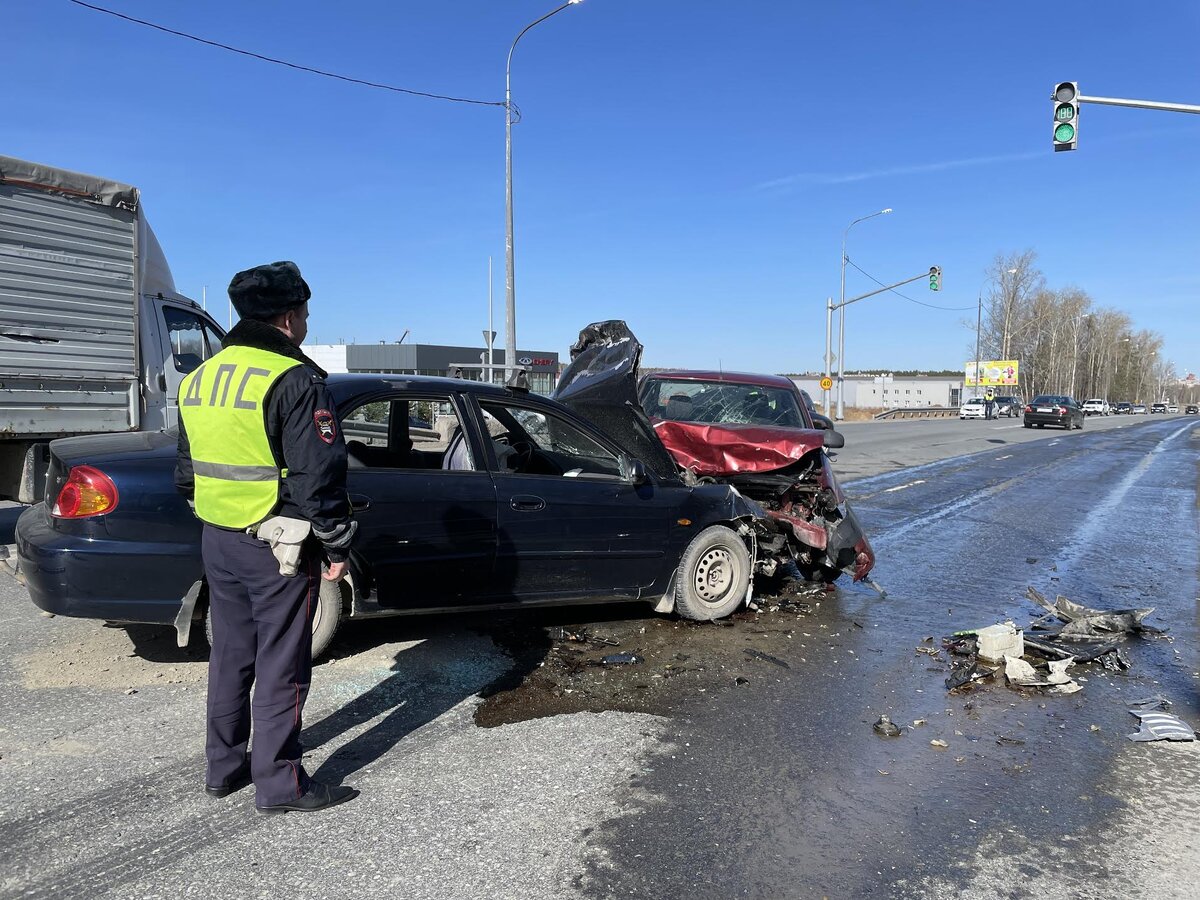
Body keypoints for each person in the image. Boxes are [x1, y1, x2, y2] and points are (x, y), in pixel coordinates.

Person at [175, 261, 358, 814]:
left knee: (230, 656)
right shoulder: (294, 379)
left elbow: (187, 471)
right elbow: (318, 475)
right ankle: (281, 784)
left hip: (219, 538)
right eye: (304, 313)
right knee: (283, 664)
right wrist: (334, 545)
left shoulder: (201, 376)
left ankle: (223, 768)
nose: (305, 323)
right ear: (287, 317)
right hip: (276, 546)